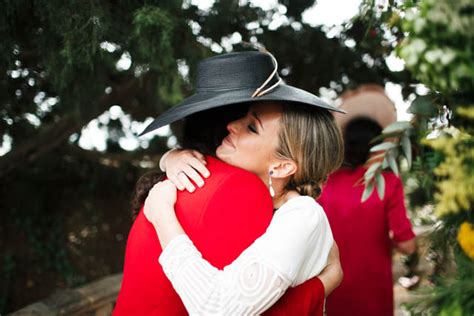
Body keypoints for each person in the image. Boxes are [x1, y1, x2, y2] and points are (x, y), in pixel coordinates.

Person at [114, 51, 344, 315]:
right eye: (243, 116)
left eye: (252, 127)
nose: (232, 125)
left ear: (282, 166)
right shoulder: (246, 198)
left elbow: (218, 309)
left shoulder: (303, 215)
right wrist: (171, 158)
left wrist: (162, 213)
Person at [318, 85, 416, 316]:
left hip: (334, 287)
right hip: (374, 287)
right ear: (378, 146)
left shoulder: (326, 183)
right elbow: (407, 244)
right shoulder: (388, 183)